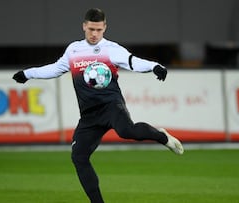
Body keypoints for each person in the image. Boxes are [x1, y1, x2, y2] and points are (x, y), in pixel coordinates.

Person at [13, 8, 184, 203]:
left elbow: (132, 62)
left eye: (99, 30)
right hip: (89, 116)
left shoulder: (111, 49)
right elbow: (55, 68)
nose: (94, 34)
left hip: (111, 106)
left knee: (127, 131)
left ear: (105, 28)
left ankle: (161, 136)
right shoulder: (74, 50)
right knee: (79, 157)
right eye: (91, 29)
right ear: (84, 26)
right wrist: (28, 74)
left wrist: (154, 66)